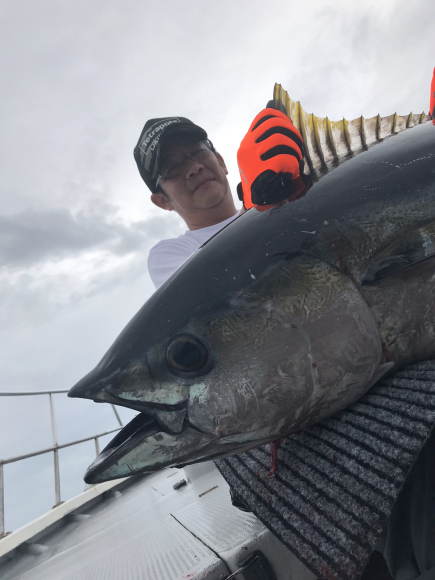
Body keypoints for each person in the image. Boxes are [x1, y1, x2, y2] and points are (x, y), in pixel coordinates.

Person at [133, 108, 306, 289]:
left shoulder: (284, 200)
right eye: (172, 168)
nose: (194, 167)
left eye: (198, 151)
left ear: (221, 163)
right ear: (163, 201)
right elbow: (221, 299)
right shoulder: (171, 254)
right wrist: (259, 210)